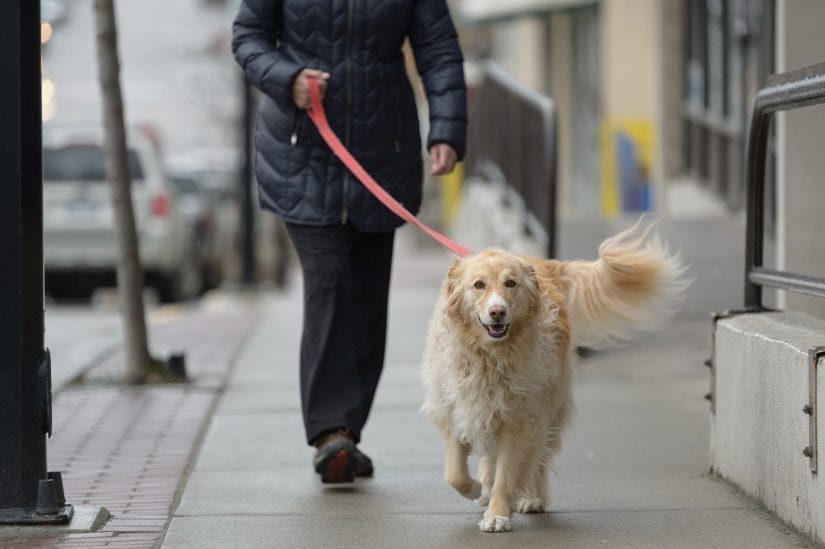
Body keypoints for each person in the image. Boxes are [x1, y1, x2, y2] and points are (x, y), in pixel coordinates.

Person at [232, 0, 467, 483]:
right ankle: (329, 431)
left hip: (383, 151)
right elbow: (248, 38)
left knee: (366, 294)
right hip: (301, 153)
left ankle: (347, 433)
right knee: (330, 280)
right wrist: (288, 77)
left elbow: (438, 49)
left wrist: (445, 128)